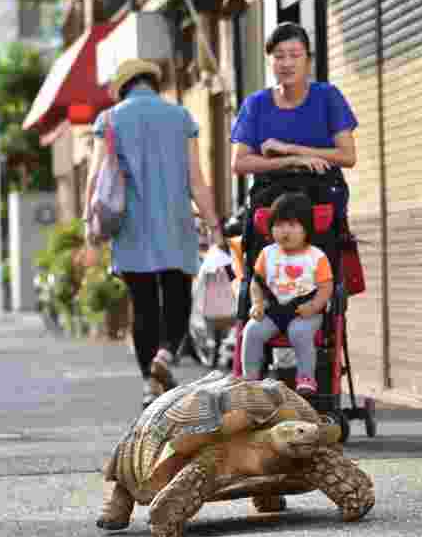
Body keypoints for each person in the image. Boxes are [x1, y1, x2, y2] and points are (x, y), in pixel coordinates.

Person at [82, 58, 224, 408]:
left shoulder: (110, 119)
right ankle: (164, 355)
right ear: (154, 83)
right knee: (177, 297)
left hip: (130, 229)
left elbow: (94, 177)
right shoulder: (180, 117)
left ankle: (149, 383)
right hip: (176, 226)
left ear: (123, 87)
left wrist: (90, 225)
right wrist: (213, 224)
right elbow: (196, 179)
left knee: (143, 306)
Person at [230, 21, 358, 234]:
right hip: (270, 205)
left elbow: (348, 156)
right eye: (279, 56)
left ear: (308, 60)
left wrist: (290, 148)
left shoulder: (328, 96)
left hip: (321, 201)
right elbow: (239, 163)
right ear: (269, 61)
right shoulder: (256, 104)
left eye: (295, 55)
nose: (287, 63)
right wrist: (291, 161)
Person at [242, 192, 334, 395]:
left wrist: (314, 306)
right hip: (273, 308)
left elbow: (326, 287)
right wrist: (257, 303)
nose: (285, 231)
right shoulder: (267, 254)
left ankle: (306, 377)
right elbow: (256, 283)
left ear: (306, 229)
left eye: (292, 225)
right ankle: (250, 379)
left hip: (306, 310)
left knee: (299, 332)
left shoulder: (316, 256)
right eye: (279, 225)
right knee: (252, 331)